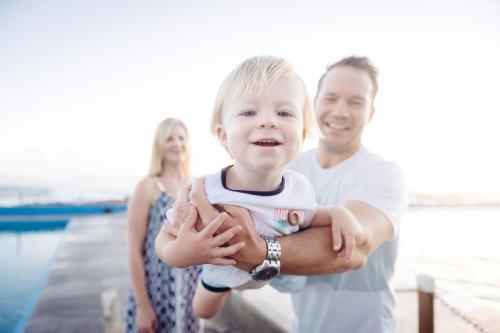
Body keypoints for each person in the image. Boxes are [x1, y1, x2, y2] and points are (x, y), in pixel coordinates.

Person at [165, 56, 407, 333]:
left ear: (371, 112)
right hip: (303, 326)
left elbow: (354, 248)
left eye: (355, 102)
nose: (340, 111)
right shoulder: (286, 165)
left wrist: (257, 252)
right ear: (313, 105)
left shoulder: (384, 174)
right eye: (330, 98)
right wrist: (196, 210)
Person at [125, 118, 202, 333]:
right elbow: (134, 251)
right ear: (159, 145)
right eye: (169, 138)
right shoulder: (147, 187)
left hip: (191, 292)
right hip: (155, 293)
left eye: (181, 138)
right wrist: (142, 306)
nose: (177, 144)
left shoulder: (197, 185)